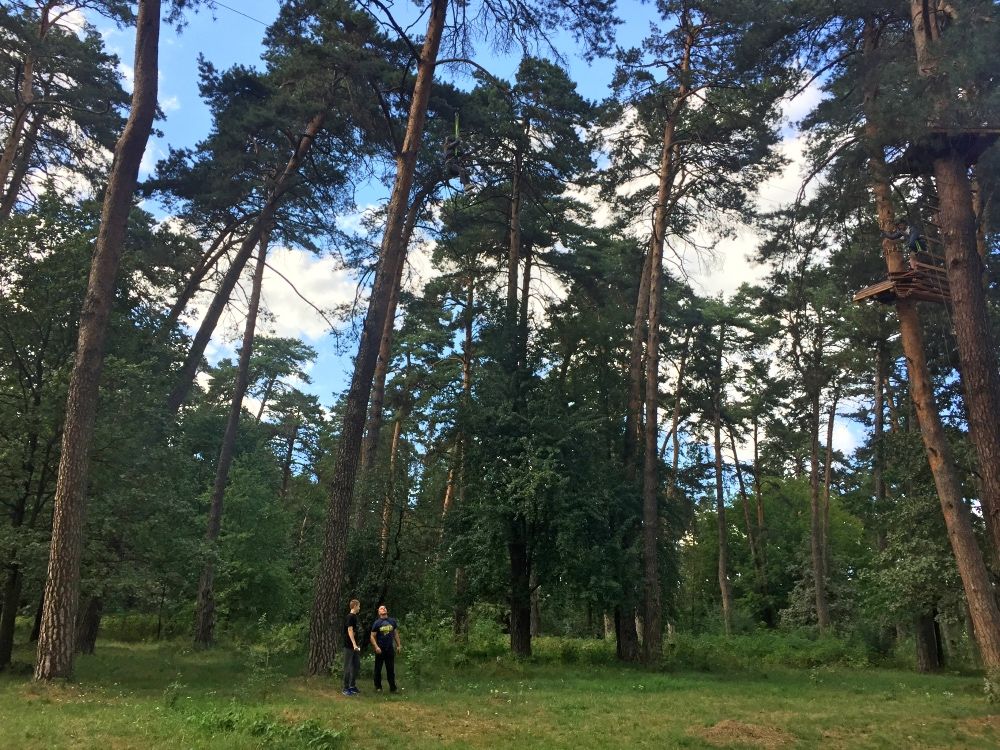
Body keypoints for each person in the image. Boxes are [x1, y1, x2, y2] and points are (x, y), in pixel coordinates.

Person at [370, 604, 401, 693]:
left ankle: (393, 688)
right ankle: (378, 687)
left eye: (384, 608)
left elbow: (395, 633)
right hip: (380, 649)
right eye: (381, 608)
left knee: (390, 669)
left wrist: (399, 645)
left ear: (386, 611)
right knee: (378, 669)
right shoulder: (377, 623)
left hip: (389, 648)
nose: (383, 609)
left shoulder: (392, 621)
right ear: (379, 612)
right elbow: (372, 636)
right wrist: (376, 647)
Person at [342, 599, 362, 697]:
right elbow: (350, 630)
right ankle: (345, 688)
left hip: (355, 646)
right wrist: (354, 644)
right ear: (354, 606)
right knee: (348, 667)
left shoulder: (355, 617)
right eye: (359, 606)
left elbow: (354, 631)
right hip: (349, 646)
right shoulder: (350, 617)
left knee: (356, 665)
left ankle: (352, 686)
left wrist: (357, 645)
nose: (359, 608)